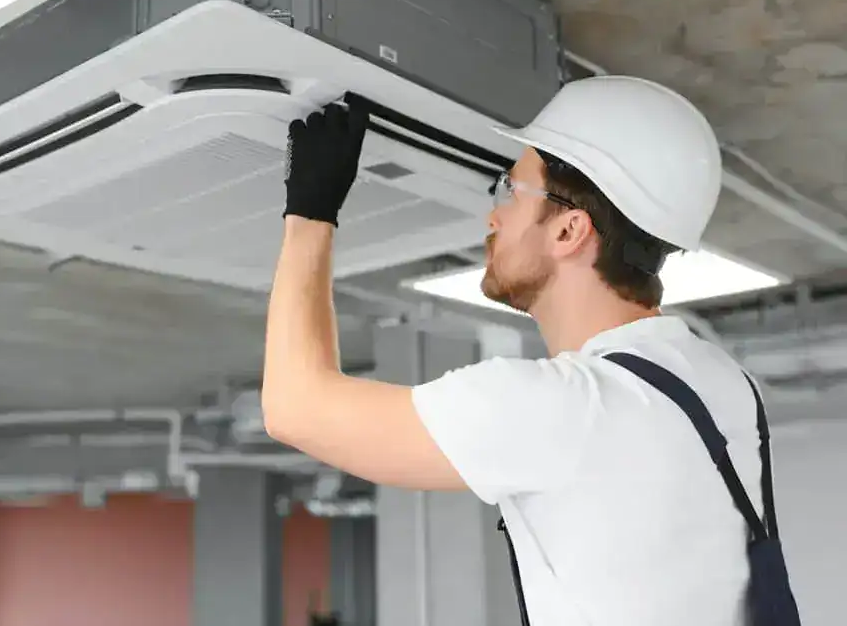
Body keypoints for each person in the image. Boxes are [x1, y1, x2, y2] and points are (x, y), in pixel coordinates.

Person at [260, 76, 763, 626]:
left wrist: (311, 212)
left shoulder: (564, 408)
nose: (493, 216)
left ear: (570, 229)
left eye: (511, 190)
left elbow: (294, 408)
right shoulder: (721, 381)